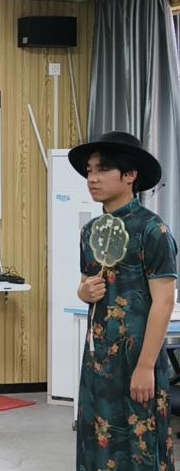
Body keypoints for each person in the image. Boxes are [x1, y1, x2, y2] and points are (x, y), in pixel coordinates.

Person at [70, 131, 177, 470]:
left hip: (138, 358)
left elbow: (164, 301)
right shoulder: (90, 231)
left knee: (141, 442)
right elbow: (85, 285)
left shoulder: (152, 230)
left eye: (102, 169)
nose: (92, 178)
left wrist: (145, 366)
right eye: (89, 170)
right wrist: (84, 293)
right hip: (98, 359)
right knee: (96, 438)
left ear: (130, 175)